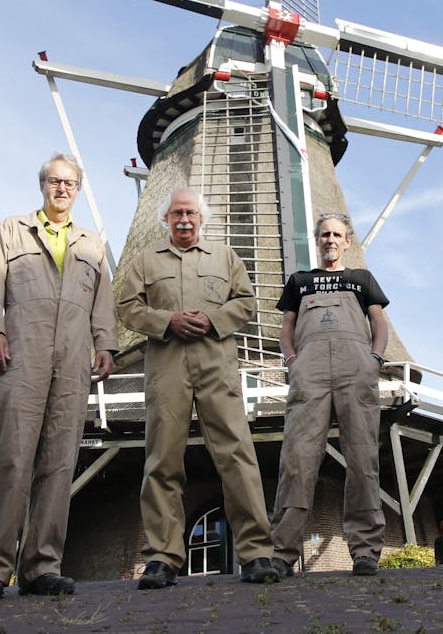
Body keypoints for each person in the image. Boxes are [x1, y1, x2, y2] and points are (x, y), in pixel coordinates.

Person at [117, 186, 279, 589]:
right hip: (167, 364)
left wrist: (212, 320)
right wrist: (166, 321)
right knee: (162, 459)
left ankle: (256, 552)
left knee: (237, 455)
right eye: (176, 214)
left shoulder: (225, 257)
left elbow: (246, 302)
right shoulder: (145, 260)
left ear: (201, 218)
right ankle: (161, 557)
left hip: (216, 363)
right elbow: (126, 307)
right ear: (166, 219)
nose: (184, 220)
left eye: (190, 213)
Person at [0, 154, 118, 600]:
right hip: (21, 354)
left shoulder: (91, 244)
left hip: (72, 361)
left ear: (78, 189)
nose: (62, 189)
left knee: (58, 463)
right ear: (42, 185)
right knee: (11, 458)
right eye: (55, 181)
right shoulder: (11, 230)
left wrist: (106, 344)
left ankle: (41, 566)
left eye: (70, 183)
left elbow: (103, 301)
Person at [271, 213, 390, 578]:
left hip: (357, 367)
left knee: (362, 457)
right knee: (297, 457)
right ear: (317, 240)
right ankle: (283, 552)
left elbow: (379, 322)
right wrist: (292, 360)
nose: (330, 240)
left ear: (347, 242)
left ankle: (365, 551)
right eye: (325, 234)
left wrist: (375, 359)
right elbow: (286, 327)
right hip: (310, 370)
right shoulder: (300, 281)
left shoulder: (361, 279)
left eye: (337, 234)